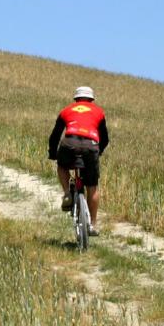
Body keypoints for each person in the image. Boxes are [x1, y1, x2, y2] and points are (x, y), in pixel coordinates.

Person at [48, 86, 109, 236]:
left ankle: (67, 193)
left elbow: (55, 136)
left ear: (76, 99)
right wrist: (99, 151)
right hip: (91, 146)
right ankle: (92, 224)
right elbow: (105, 138)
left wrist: (53, 154)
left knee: (62, 166)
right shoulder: (99, 112)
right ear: (92, 100)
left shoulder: (66, 110)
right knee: (92, 187)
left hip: (70, 143)